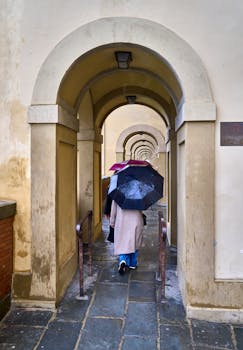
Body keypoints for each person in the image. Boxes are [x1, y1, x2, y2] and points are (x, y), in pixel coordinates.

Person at [109, 200, 144, 274]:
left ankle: (123, 260)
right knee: (135, 242)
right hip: (136, 220)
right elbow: (141, 209)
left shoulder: (118, 194)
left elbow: (113, 210)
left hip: (122, 221)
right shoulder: (138, 193)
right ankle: (132, 264)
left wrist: (112, 222)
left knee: (123, 243)